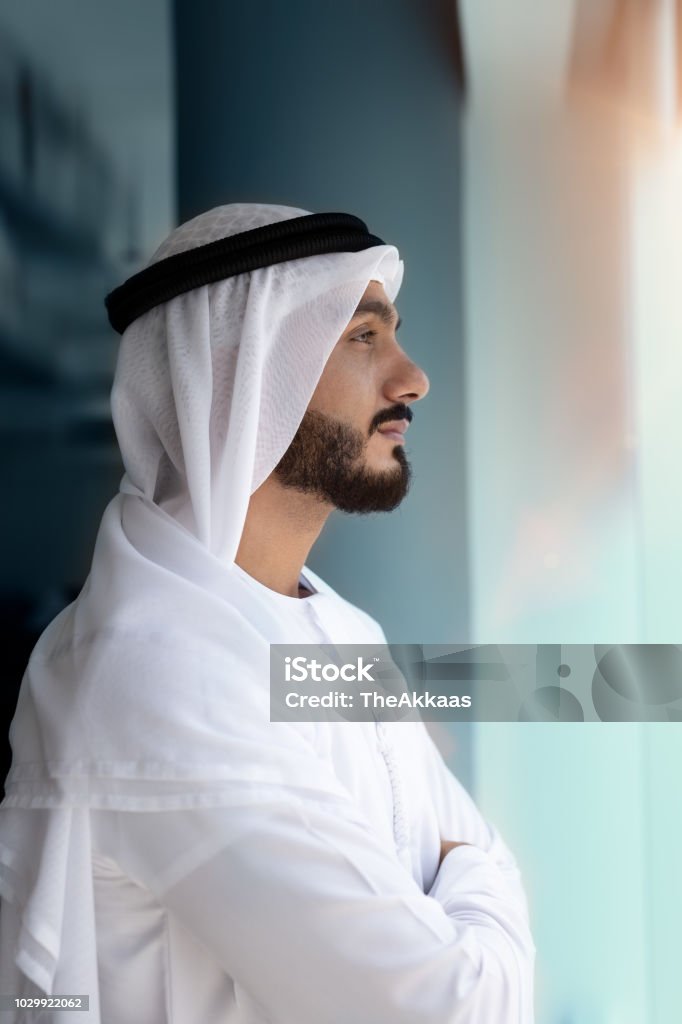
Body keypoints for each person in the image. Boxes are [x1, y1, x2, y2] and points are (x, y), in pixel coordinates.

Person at [0, 204, 535, 1023]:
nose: (411, 378)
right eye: (364, 337)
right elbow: (445, 1005)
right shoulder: (158, 674)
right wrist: (469, 882)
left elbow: (466, 872)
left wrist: (461, 882)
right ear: (244, 369)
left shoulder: (340, 630)